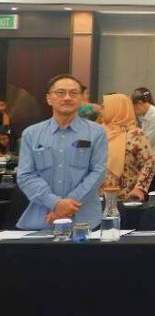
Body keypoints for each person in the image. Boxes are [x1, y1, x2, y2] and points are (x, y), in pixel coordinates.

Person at [15, 74, 107, 230]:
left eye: (73, 93)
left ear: (81, 98)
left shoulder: (96, 132)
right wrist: (55, 203)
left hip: (86, 221)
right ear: (49, 98)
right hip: (43, 219)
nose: (67, 98)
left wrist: (66, 207)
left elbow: (98, 172)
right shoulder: (31, 134)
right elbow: (25, 175)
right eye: (60, 93)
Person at [100, 93, 154, 201]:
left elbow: (149, 163)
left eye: (104, 107)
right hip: (100, 197)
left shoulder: (135, 134)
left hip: (128, 196)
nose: (101, 111)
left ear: (116, 109)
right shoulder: (99, 132)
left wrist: (139, 188)